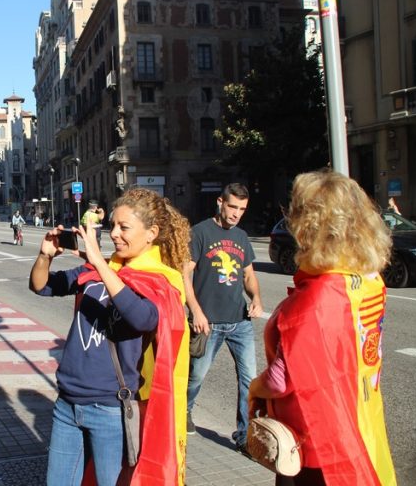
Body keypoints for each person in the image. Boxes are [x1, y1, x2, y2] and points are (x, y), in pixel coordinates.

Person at [30, 187, 191, 485]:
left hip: (110, 409)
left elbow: (142, 318)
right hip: (67, 403)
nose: (115, 233)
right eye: (113, 225)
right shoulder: (96, 271)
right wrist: (44, 256)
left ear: (152, 233)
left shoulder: (159, 280)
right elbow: (42, 286)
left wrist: (101, 264)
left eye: (124, 227)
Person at [249, 170, 396, 485]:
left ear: (310, 224)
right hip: (360, 417)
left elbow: (281, 379)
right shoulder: (367, 279)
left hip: (316, 435)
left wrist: (254, 388)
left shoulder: (317, 297)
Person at [183, 182, 262, 455]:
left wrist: (256, 298)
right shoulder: (200, 232)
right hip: (208, 323)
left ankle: (245, 437)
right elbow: (185, 274)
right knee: (196, 376)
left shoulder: (241, 236)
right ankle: (184, 410)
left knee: (250, 380)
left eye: (242, 209)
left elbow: (248, 275)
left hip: (239, 321)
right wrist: (196, 310)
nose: (236, 213)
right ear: (220, 202)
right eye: (232, 207)